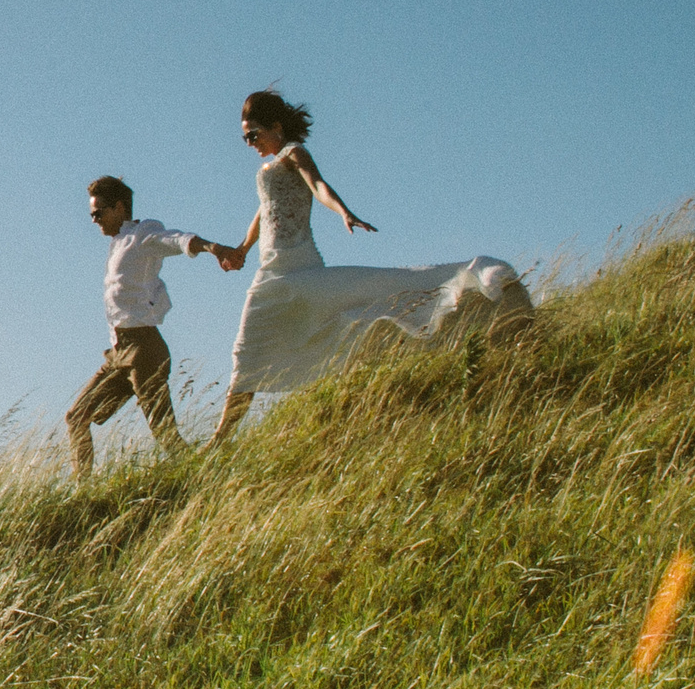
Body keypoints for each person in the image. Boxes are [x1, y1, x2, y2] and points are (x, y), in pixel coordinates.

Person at [210, 90, 533, 442]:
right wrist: (242, 247)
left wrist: (344, 212)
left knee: (251, 350)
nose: (249, 143)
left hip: (299, 267)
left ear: (275, 126)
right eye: (244, 136)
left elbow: (318, 186)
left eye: (253, 134)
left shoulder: (293, 153)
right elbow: (265, 210)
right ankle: (225, 439)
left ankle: (218, 441)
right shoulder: (267, 169)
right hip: (272, 270)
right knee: (251, 351)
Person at [67, 176, 234, 477]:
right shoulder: (117, 244)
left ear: (119, 208)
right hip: (119, 352)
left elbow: (179, 239)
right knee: (76, 416)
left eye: (97, 213)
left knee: (165, 434)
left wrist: (215, 248)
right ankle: (83, 488)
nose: (94, 220)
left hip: (144, 349)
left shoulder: (143, 234)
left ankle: (209, 478)